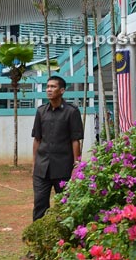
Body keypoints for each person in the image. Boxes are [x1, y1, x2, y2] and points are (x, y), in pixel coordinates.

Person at [31, 76, 84, 221]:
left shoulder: (72, 112)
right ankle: (38, 236)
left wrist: (76, 165)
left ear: (62, 90)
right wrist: (34, 164)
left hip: (63, 168)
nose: (49, 89)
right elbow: (37, 139)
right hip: (42, 168)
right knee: (40, 204)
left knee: (65, 205)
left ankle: (63, 239)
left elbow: (75, 141)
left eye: (53, 87)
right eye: (47, 86)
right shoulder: (41, 111)